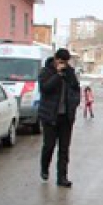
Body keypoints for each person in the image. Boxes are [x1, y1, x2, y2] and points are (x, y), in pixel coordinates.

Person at [38, 48, 81, 188]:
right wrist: (57, 75)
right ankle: (44, 168)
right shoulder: (46, 71)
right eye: (60, 61)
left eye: (65, 62)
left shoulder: (70, 72)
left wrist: (74, 104)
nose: (63, 64)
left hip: (66, 117)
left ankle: (62, 177)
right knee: (49, 146)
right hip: (50, 116)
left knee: (64, 149)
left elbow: (76, 88)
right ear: (55, 59)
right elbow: (45, 88)